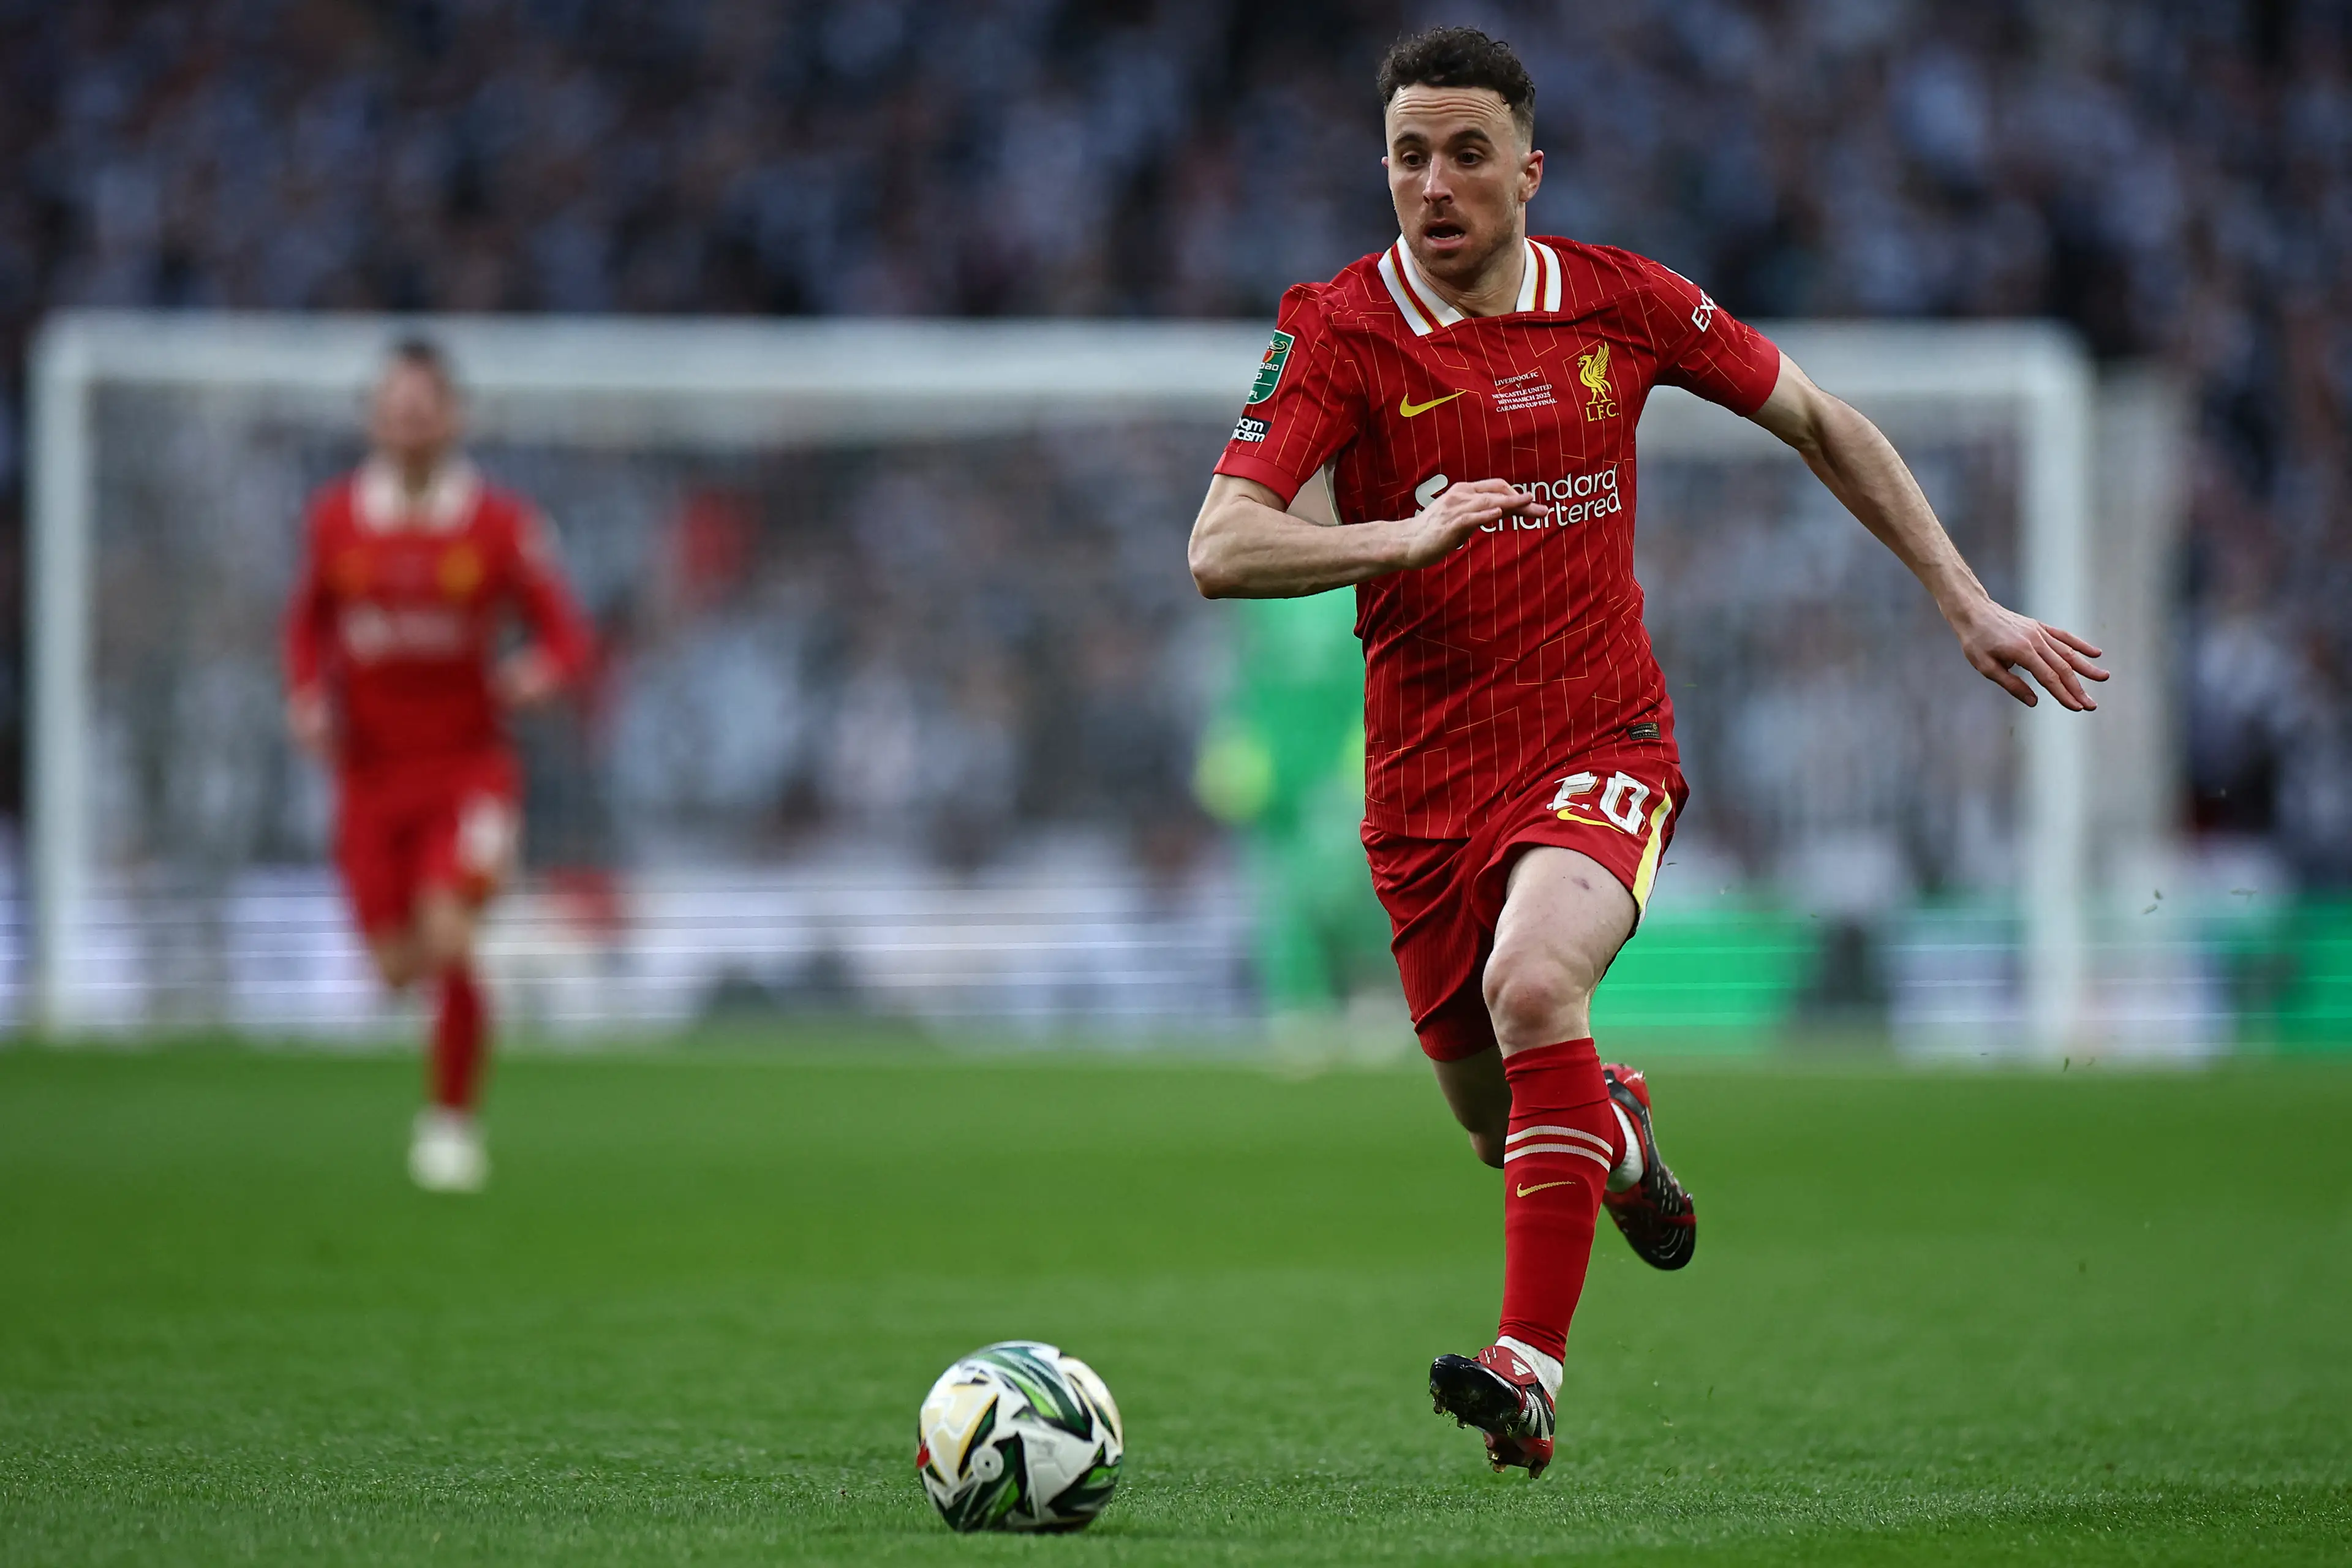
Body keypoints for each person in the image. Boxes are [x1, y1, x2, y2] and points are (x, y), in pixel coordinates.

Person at [1186, 26, 2106, 1477]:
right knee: (1505, 1124)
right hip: (1422, 790)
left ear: (1530, 171)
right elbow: (1222, 543)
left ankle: (1527, 1368)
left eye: (1467, 152)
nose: (1436, 182)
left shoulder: (1627, 302)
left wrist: (1966, 597)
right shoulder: (1339, 329)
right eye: (1410, 155)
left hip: (1598, 739)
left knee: (1536, 976)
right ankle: (1612, 1134)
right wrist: (1400, 534)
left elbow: (1819, 419)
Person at [284, 339, 594, 1193]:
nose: (408, 425)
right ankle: (460, 1028)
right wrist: (307, 693)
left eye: (423, 409)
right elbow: (305, 623)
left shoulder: (502, 526)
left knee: (450, 933)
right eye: (393, 410)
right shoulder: (335, 520)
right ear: (374, 421)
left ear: (452, 419)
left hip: (470, 768)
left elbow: (568, 632)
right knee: (393, 965)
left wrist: (543, 669)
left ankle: (450, 1127)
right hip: (372, 775)